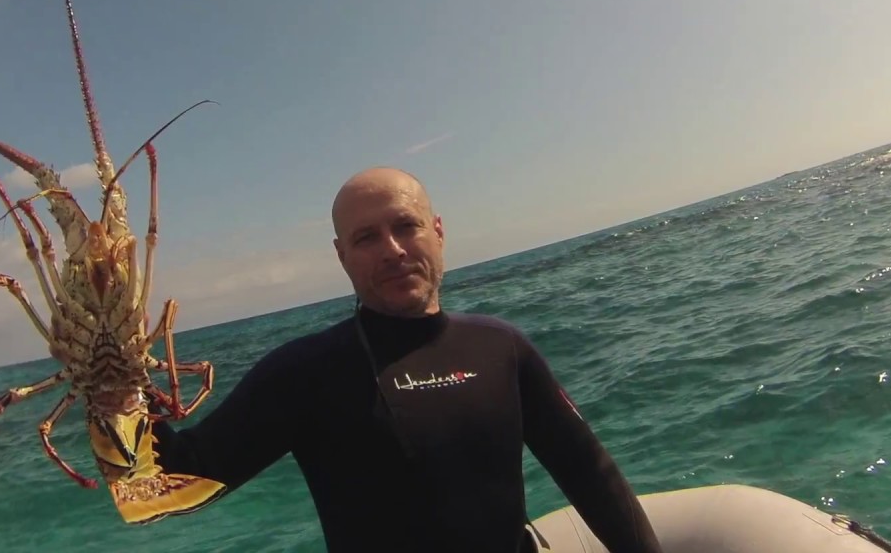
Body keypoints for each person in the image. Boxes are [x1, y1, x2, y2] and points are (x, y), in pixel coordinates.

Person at [149, 167, 663, 552]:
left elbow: (590, 475)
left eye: (405, 226)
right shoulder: (302, 373)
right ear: (341, 255)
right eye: (366, 237)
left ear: (437, 230)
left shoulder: (502, 347)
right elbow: (178, 482)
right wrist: (117, 393)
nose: (392, 249)